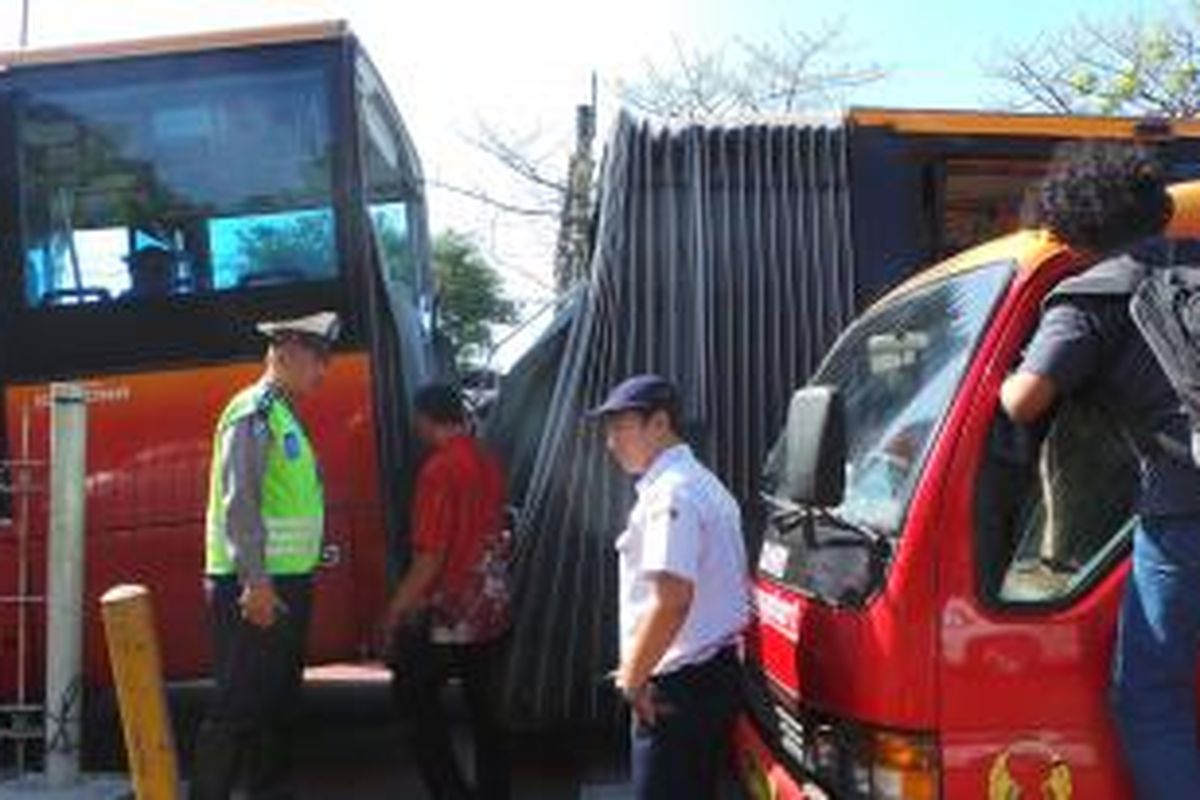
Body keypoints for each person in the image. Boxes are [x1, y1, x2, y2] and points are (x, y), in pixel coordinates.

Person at [1000, 140, 1200, 799]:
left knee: (1148, 695)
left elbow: (1026, 401)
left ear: (1077, 223)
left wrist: (1010, 375)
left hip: (1183, 514)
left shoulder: (1091, 295)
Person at [190, 310, 339, 800]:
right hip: (253, 587)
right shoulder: (252, 411)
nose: (324, 371)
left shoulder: (282, 412)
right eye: (318, 359)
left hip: (283, 584)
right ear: (287, 353)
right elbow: (241, 503)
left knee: (275, 705)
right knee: (238, 706)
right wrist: (256, 583)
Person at [589, 374, 750, 800]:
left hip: (678, 688)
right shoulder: (700, 481)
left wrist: (633, 680)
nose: (611, 442)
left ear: (659, 424)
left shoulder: (671, 494)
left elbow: (672, 601)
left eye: (621, 427)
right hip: (708, 676)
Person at [384, 383, 512, 800]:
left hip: (450, 610)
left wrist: (395, 611)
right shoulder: (486, 460)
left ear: (423, 418)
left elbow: (431, 557)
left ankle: (449, 789)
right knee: (485, 709)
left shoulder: (438, 470)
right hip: (491, 604)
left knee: (414, 699)